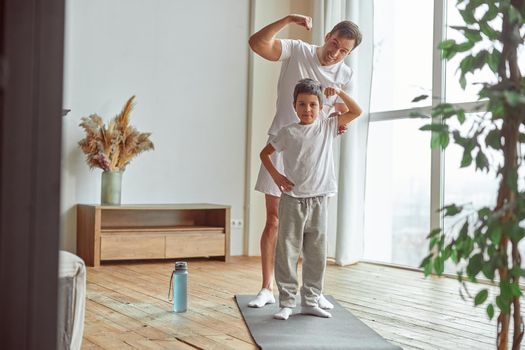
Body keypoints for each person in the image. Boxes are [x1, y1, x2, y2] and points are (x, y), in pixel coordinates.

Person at [248, 14, 363, 309]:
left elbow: (340, 112)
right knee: (275, 221)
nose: (335, 53)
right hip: (283, 144)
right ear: (327, 36)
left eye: (343, 51)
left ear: (349, 53)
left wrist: (340, 120)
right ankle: (266, 288)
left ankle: (311, 291)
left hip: (314, 154)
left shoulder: (345, 74)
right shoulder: (298, 49)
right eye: (334, 44)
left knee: (312, 230)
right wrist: (287, 19)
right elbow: (257, 44)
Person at [259, 79, 361, 320]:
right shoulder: (288, 132)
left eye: (313, 105)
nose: (307, 109)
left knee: (316, 252)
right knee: (287, 251)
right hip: (292, 200)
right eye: (302, 104)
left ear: (321, 106)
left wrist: (339, 92)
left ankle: (311, 300)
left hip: (319, 200)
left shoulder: (328, 126)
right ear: (294, 106)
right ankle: (286, 302)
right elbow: (264, 154)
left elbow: (356, 111)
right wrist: (277, 176)